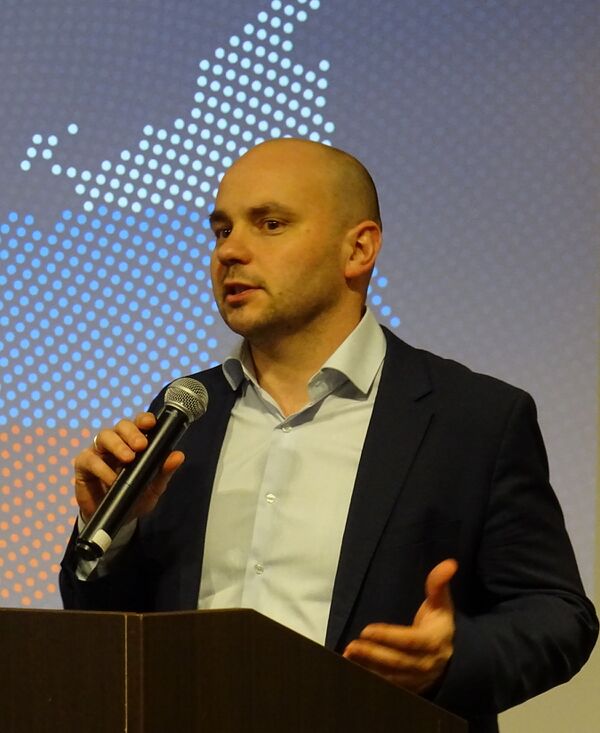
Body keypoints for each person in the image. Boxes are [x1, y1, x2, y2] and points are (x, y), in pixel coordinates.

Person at [60, 138, 598, 732]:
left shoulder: (474, 418)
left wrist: (450, 658)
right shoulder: (185, 412)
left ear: (358, 249)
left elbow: (558, 616)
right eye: (221, 230)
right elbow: (115, 622)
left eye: (270, 224)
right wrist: (110, 533)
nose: (229, 251)